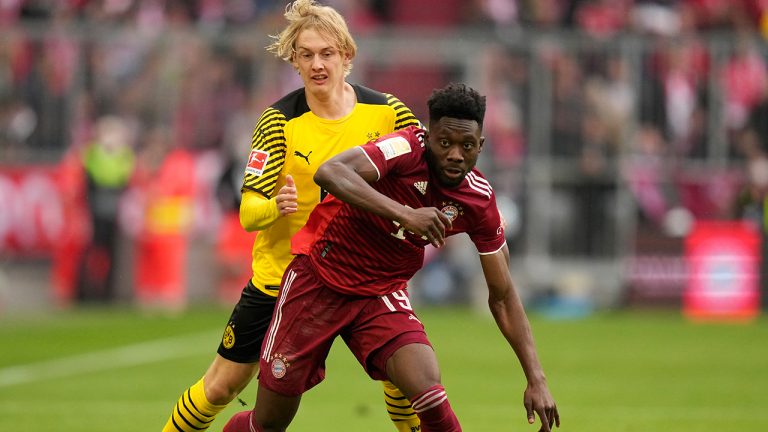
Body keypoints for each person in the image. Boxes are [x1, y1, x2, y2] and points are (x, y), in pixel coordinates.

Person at [224, 83, 560, 431]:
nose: (456, 154)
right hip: (319, 279)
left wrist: (536, 378)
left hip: (380, 294)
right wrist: (405, 213)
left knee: (428, 388)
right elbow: (330, 171)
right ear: (428, 136)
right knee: (268, 423)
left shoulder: (478, 199)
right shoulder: (404, 147)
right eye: (445, 143)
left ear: (481, 146)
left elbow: (503, 296)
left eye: (467, 146)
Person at [161, 1, 421, 431]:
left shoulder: (389, 113)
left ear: (347, 55)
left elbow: (422, 167)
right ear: (294, 60)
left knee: (407, 382)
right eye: (307, 54)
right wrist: (273, 207)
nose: (317, 64)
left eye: (327, 53)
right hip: (285, 278)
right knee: (222, 386)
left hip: (365, 276)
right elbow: (248, 212)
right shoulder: (279, 122)